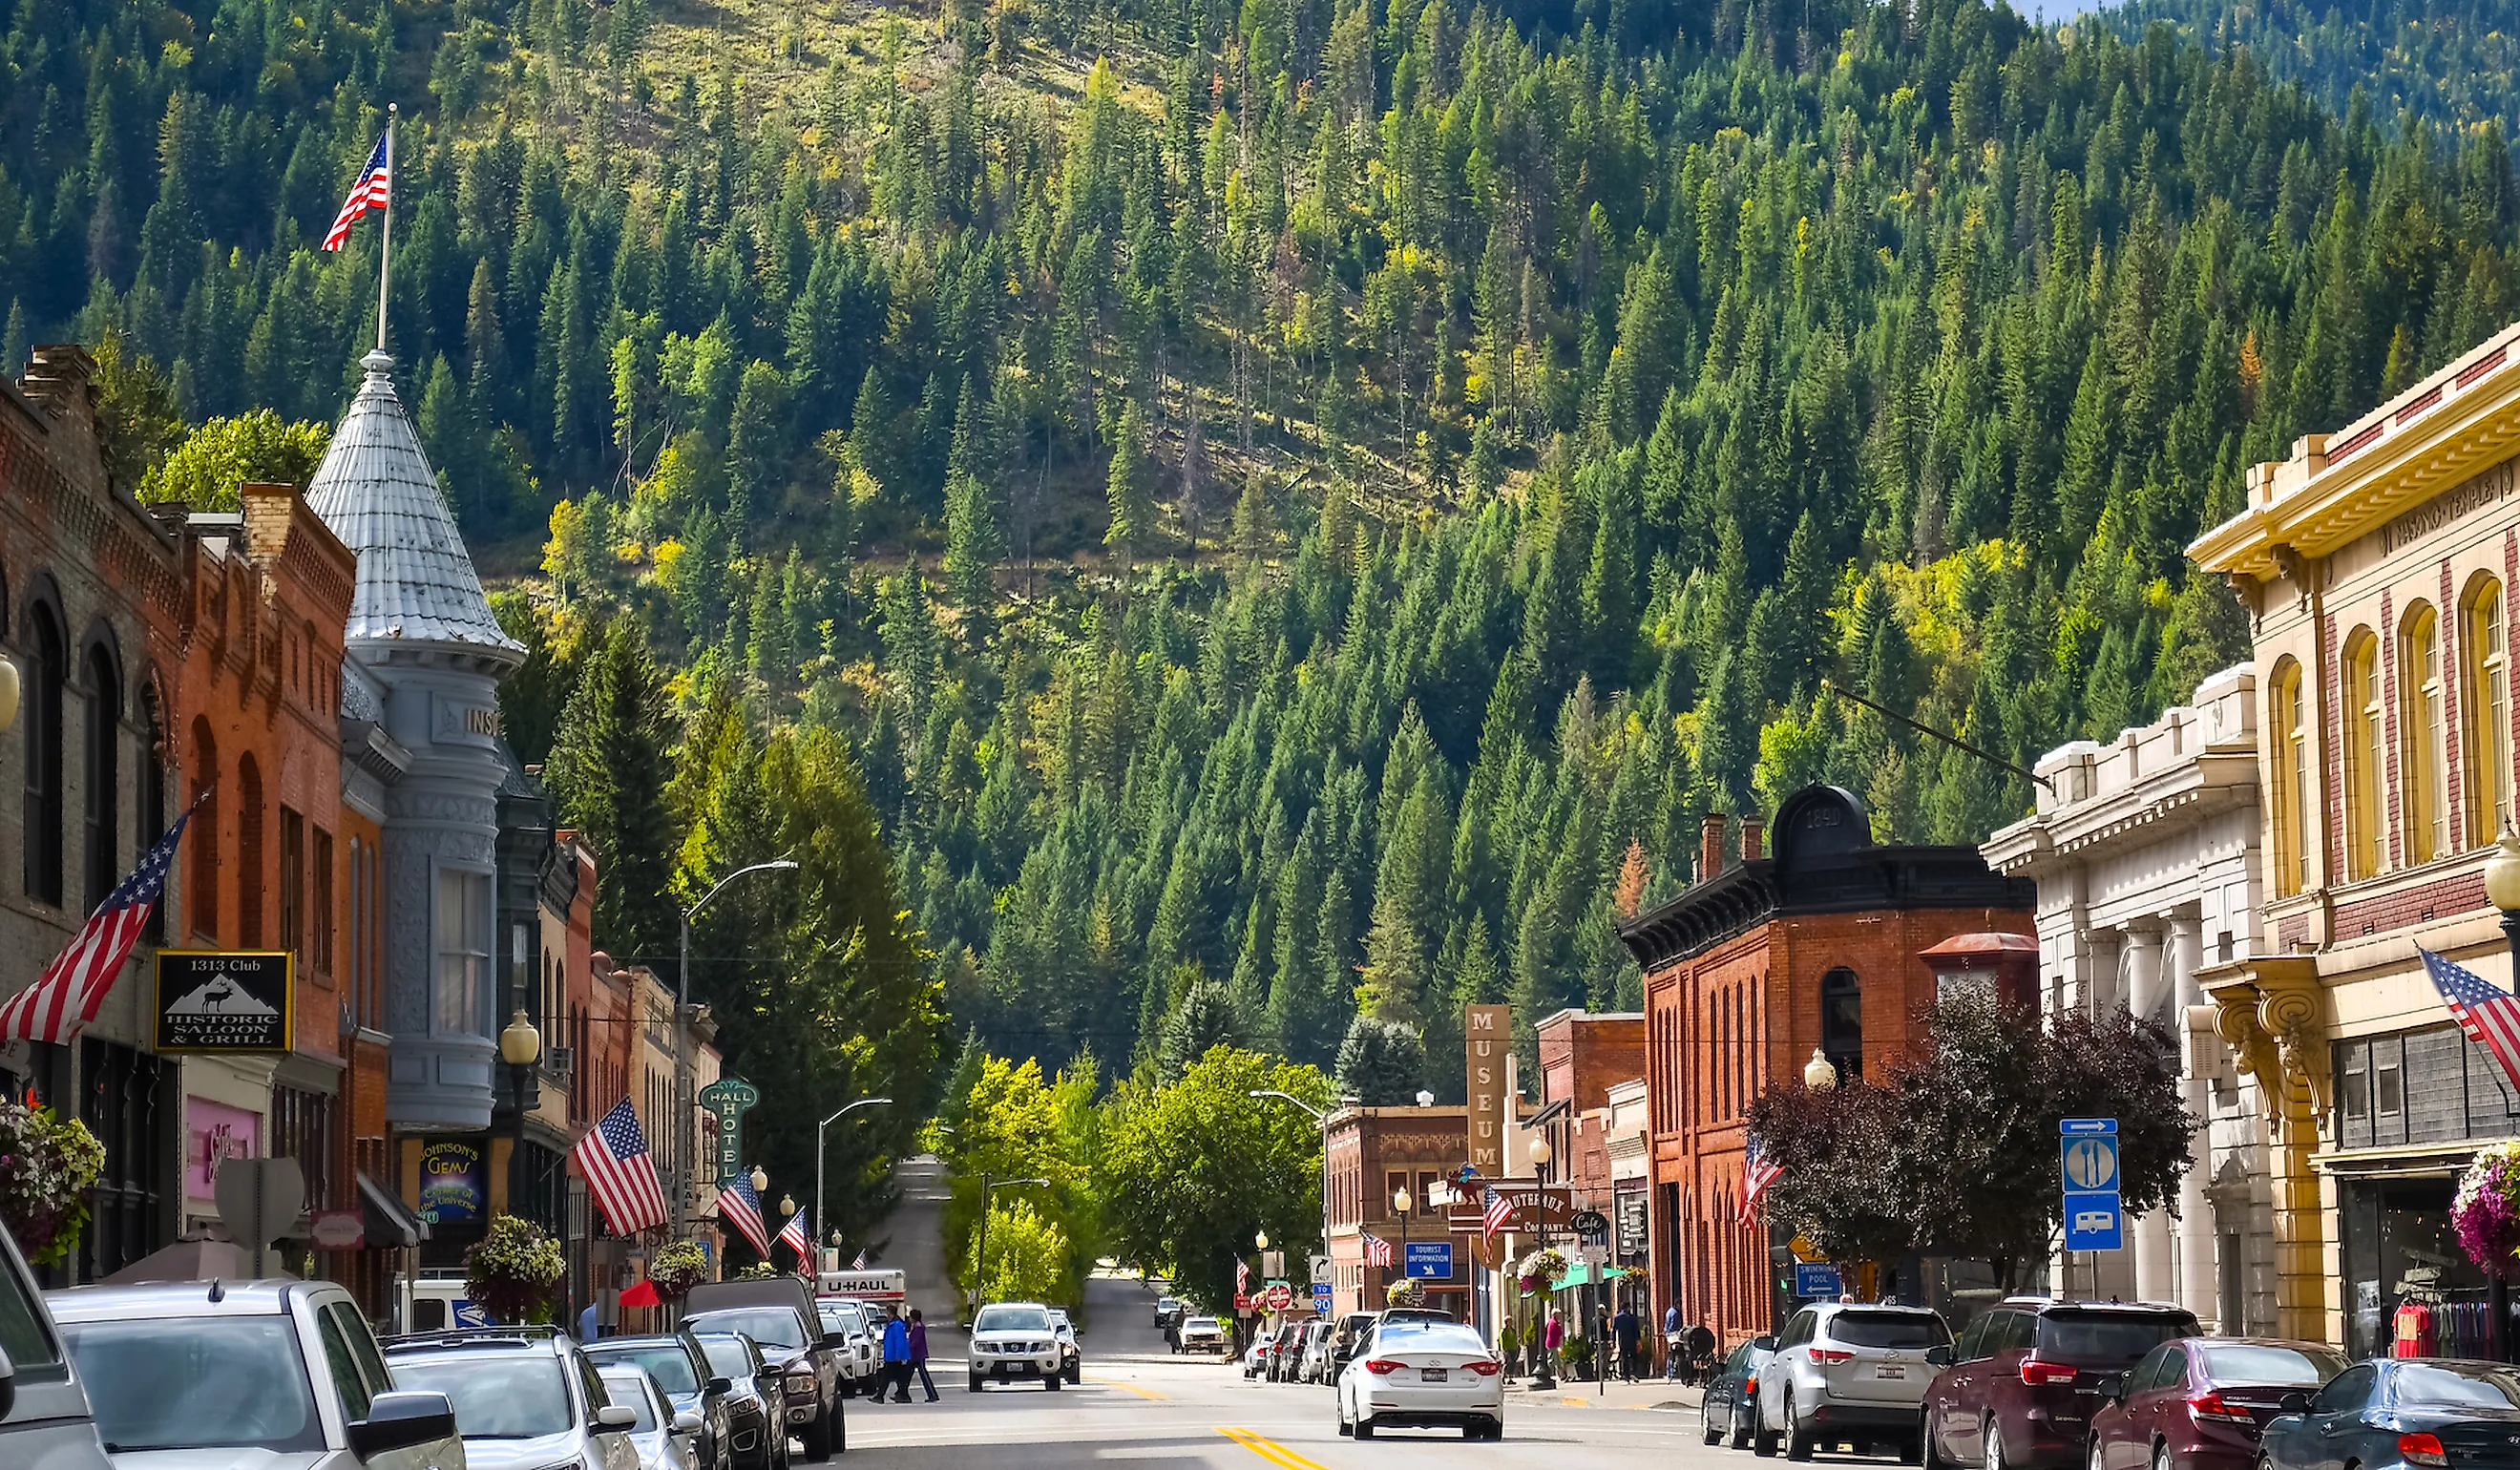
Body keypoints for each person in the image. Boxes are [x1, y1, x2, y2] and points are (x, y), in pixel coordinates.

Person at [905, 1309, 938, 1401]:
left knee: (924, 1376)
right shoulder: (915, 1327)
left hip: (918, 1355)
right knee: (906, 1375)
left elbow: (915, 1342)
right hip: (914, 1355)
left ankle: (932, 1395)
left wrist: (908, 1346)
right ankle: (902, 1393)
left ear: (913, 1318)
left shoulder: (918, 1328)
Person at [881, 1311, 912, 1402]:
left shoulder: (896, 1325)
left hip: (894, 1357)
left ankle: (879, 1396)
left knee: (886, 1377)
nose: (887, 1316)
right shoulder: (893, 1325)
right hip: (892, 1356)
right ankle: (903, 1396)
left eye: (888, 1314)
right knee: (899, 1378)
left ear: (891, 1314)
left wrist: (899, 1354)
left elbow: (900, 1341)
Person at [1612, 1299, 1640, 1382]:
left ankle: (1626, 1375)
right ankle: (1633, 1372)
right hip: (1632, 1340)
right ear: (1628, 1308)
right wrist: (1638, 1340)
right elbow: (1636, 1330)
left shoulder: (1617, 1318)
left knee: (1624, 1358)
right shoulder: (1632, 1318)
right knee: (1633, 1357)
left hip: (1623, 1340)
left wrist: (1613, 1340)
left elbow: (1613, 1330)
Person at [1662, 1301, 1683, 1380]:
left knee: (1670, 1354)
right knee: (1675, 1354)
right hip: (1674, 1336)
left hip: (1669, 1335)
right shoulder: (1675, 1314)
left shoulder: (1669, 1311)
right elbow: (1674, 1326)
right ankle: (1672, 1372)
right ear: (1677, 1305)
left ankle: (1669, 1372)